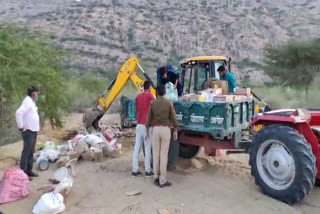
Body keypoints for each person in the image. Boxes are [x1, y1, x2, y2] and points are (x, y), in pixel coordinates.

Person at [146, 85, 178, 188]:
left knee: (155, 154)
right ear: (164, 92)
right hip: (165, 130)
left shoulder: (152, 103)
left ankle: (156, 177)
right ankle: (162, 180)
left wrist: (147, 131)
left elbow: (148, 119)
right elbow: (173, 118)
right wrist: (175, 130)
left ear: (157, 92)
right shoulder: (169, 103)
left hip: (155, 130)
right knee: (163, 155)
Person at [16, 86, 40, 179]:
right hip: (28, 130)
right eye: (37, 93)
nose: (37, 95)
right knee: (26, 152)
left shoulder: (31, 102)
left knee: (31, 151)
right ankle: (23, 174)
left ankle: (29, 170)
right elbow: (18, 113)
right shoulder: (27, 102)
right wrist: (20, 126)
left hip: (33, 130)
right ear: (33, 94)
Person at [131, 81, 155, 177]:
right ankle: (148, 170)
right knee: (147, 147)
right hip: (147, 125)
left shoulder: (137, 97)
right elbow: (154, 109)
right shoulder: (150, 96)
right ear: (149, 87)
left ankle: (134, 169)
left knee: (137, 147)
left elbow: (136, 110)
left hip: (139, 124)